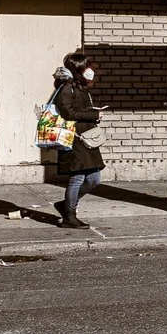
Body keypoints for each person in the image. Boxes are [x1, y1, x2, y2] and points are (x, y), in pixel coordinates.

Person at [52, 59, 105, 227]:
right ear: (78, 70)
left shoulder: (81, 87)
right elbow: (68, 113)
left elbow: (80, 110)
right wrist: (93, 116)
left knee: (94, 180)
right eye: (87, 67)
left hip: (87, 138)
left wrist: (95, 113)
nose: (90, 70)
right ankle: (69, 216)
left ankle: (65, 205)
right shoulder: (66, 88)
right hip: (74, 138)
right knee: (77, 178)